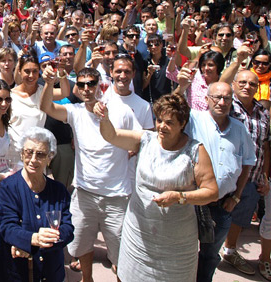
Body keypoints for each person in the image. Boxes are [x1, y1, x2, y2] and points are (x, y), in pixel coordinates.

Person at [95, 94, 218, 281]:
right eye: (159, 120)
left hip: (176, 242)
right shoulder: (145, 139)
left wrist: (179, 197)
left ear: (183, 123)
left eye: (169, 122)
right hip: (137, 233)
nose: (161, 126)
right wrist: (104, 119)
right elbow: (111, 135)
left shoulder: (195, 151)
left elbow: (211, 192)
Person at [39, 66, 137, 280]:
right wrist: (49, 83)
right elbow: (46, 106)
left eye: (91, 83)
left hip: (117, 196)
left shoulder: (122, 111)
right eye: (81, 84)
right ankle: (87, 278)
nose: (86, 88)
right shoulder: (75, 112)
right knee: (82, 243)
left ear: (99, 85)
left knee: (122, 253)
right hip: (84, 193)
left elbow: (137, 141)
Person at [183, 82, 256, 282]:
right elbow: (169, 109)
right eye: (217, 97)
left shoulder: (239, 129)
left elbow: (248, 162)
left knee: (210, 255)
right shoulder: (193, 120)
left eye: (227, 98)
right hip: (191, 204)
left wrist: (237, 197)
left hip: (222, 206)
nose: (221, 102)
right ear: (206, 99)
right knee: (183, 251)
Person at [0, 127, 74, 282]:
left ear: (50, 158)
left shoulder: (58, 190)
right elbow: (6, 227)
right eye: (29, 152)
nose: (33, 159)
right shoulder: (9, 187)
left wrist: (49, 239)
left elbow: (68, 228)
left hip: (50, 274)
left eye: (41, 154)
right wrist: (33, 239)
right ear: (22, 154)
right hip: (15, 273)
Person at [220, 70, 270, 275]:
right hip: (227, 176)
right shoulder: (226, 107)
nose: (247, 86)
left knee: (240, 219)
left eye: (252, 84)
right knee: (218, 218)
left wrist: (264, 176)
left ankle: (230, 251)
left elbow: (266, 146)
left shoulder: (263, 112)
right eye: (242, 82)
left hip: (253, 176)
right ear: (233, 84)